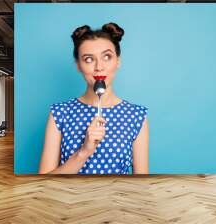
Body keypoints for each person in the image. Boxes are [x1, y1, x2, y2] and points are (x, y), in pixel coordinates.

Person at [39, 22, 149, 174]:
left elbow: (141, 183)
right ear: (78, 65)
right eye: (89, 59)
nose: (99, 67)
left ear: (118, 60)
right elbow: (43, 184)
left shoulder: (137, 116)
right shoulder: (60, 113)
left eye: (107, 57)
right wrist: (83, 152)